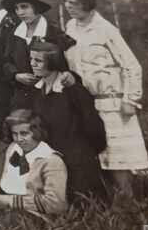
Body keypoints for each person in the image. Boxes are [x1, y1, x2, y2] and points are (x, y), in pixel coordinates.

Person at [62, 0, 148, 199]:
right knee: (94, 155)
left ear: (87, 4)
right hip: (85, 102)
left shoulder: (106, 30)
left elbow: (131, 66)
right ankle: (105, 203)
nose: (69, 7)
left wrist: (130, 100)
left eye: (74, 3)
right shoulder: (70, 27)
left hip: (112, 104)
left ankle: (128, 203)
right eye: (66, 2)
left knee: (118, 157)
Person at [28, 39, 109, 205]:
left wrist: (84, 153)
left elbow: (94, 128)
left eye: (38, 60)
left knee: (82, 205)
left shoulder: (73, 91)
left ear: (52, 62)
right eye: (31, 59)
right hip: (51, 161)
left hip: (77, 161)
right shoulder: (37, 90)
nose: (32, 64)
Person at [0, 110, 69, 216]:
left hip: (36, 216)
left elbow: (56, 205)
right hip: (6, 211)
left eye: (24, 133)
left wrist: (11, 201)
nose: (19, 139)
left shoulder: (51, 161)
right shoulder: (13, 149)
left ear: (37, 132)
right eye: (14, 134)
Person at [1, 0, 63, 112]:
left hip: (50, 95)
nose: (20, 12)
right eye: (16, 8)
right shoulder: (15, 33)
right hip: (21, 97)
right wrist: (16, 75)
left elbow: (63, 66)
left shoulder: (53, 32)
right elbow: (6, 62)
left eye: (24, 7)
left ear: (36, 7)